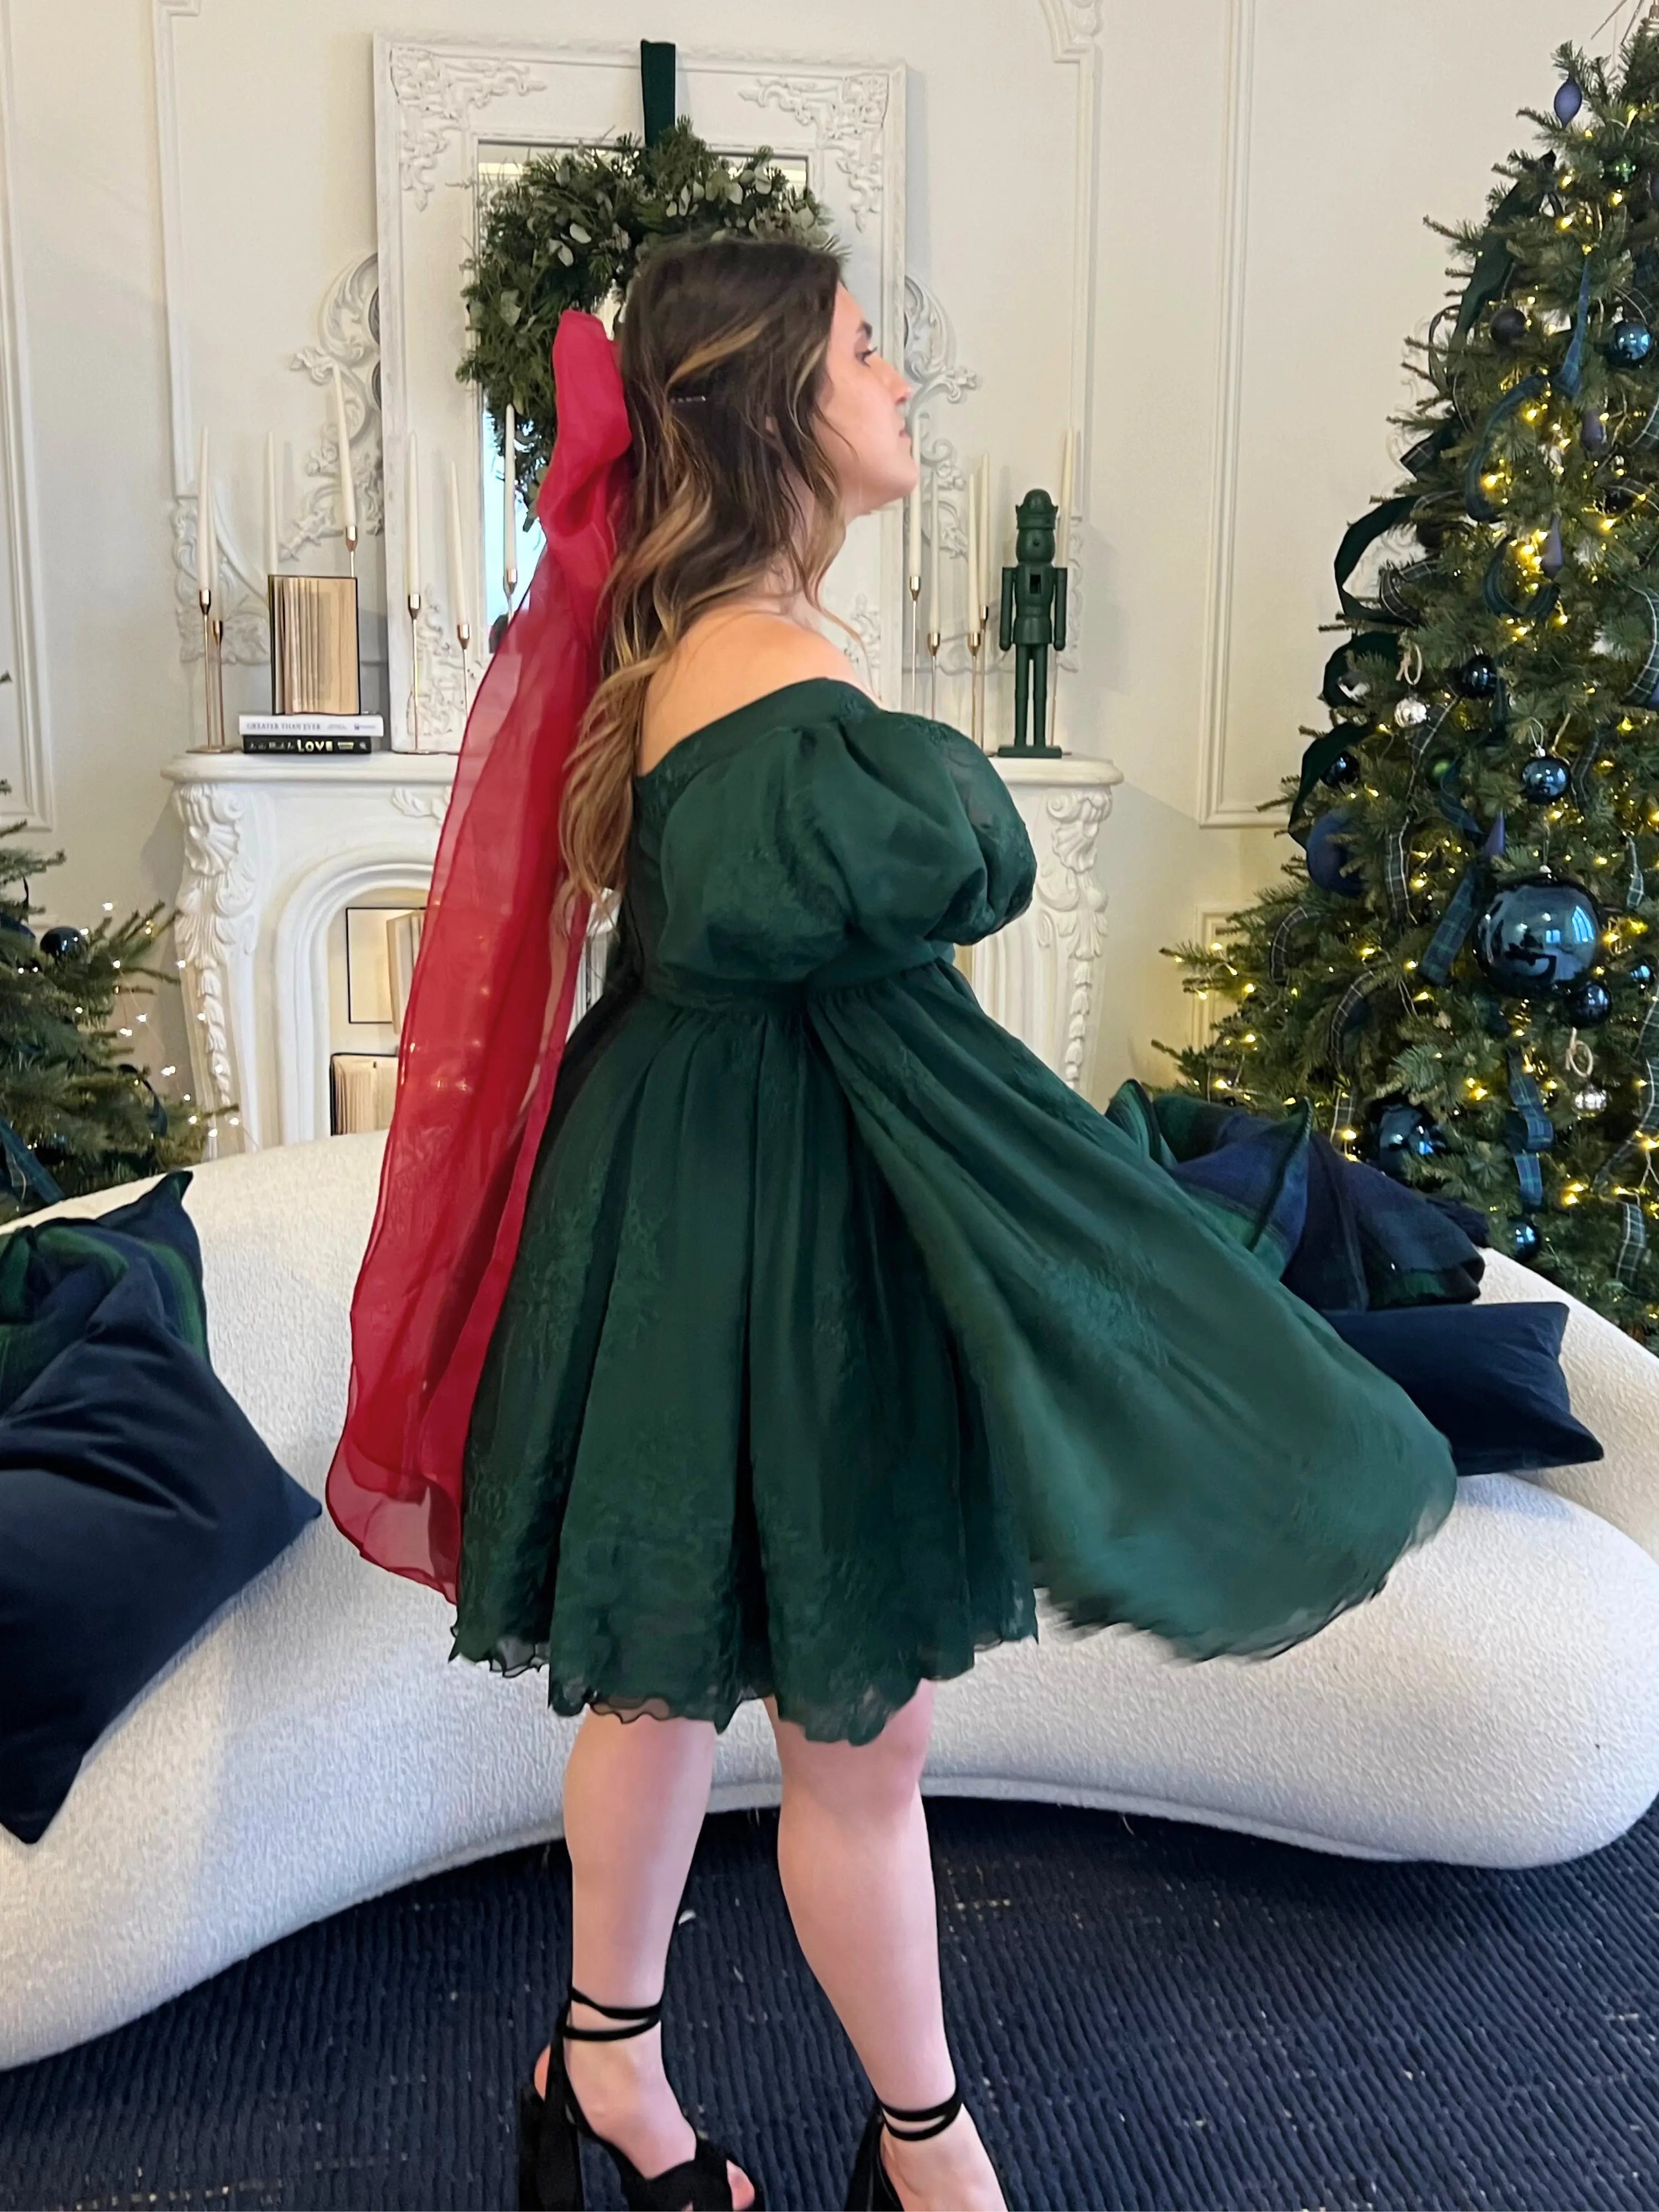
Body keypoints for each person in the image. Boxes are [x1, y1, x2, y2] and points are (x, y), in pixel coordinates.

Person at [326, 233, 1458, 2212]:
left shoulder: (691, 654)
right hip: (760, 1225)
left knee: (665, 1678)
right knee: (858, 1739)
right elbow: (957, 863)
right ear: (779, 403)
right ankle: (927, 2156)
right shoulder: (772, 680)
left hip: (695, 1190)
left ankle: (605, 2084)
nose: (905, 385)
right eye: (870, 351)